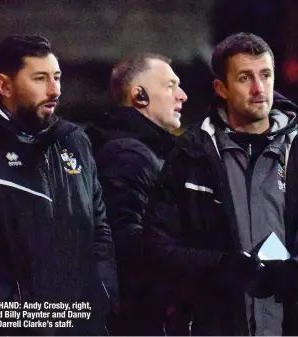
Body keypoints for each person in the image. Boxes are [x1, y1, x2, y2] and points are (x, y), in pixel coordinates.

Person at [143, 32, 298, 336]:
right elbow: (159, 249)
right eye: (245, 78)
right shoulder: (188, 160)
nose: (259, 88)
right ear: (221, 88)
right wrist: (222, 267)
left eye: (265, 75)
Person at [0, 35, 117, 335]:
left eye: (57, 77)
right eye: (40, 79)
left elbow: (99, 229)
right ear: (4, 86)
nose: (55, 90)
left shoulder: (75, 141)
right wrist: (17, 311)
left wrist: (103, 293)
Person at [85, 53, 187, 335]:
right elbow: (125, 247)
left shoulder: (145, 151)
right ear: (139, 95)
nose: (183, 95)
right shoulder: (128, 155)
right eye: (170, 85)